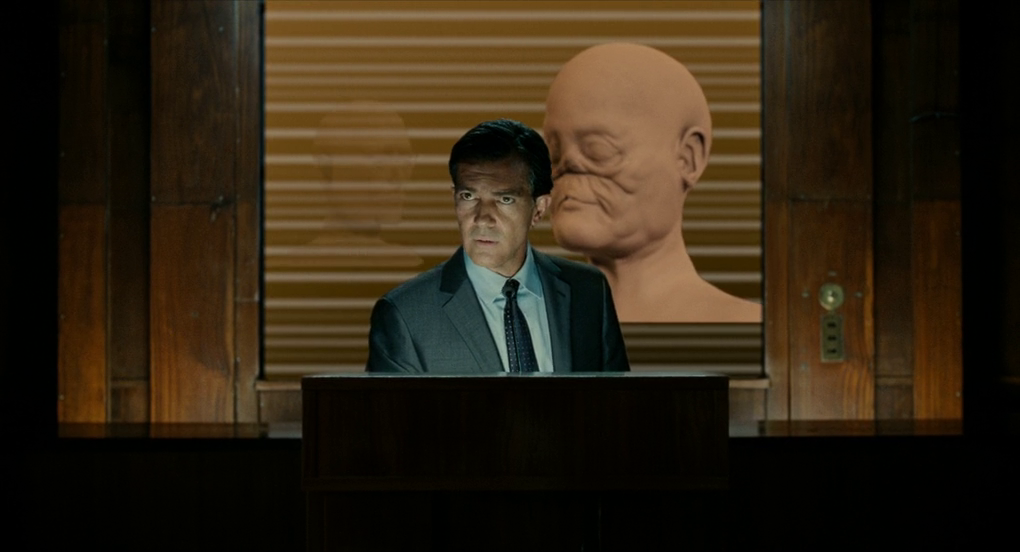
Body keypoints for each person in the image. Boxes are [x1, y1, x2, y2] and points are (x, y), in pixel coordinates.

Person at [366, 119, 630, 373]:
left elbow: (619, 400)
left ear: (539, 209)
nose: (482, 218)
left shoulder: (589, 292)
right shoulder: (406, 314)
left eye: (505, 199)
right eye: (468, 196)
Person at [543, 42, 762, 323]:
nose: (569, 165)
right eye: (554, 151)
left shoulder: (749, 328)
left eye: (599, 150)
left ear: (688, 158)